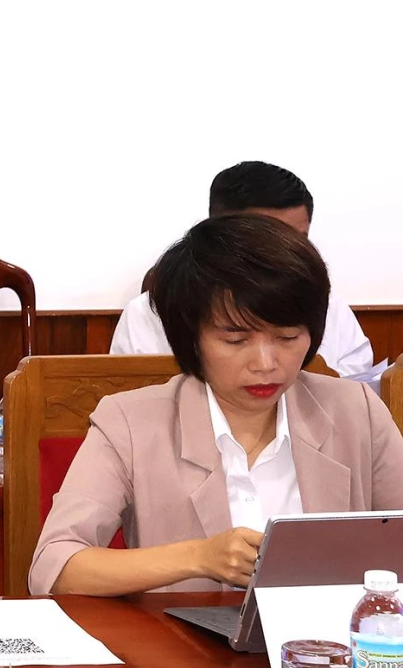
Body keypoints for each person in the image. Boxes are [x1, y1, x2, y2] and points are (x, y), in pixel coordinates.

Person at [33, 214, 403, 597]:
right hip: (182, 652)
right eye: (235, 340)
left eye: (287, 336)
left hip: (332, 650)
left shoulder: (356, 411)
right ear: (191, 338)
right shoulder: (130, 422)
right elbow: (55, 566)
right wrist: (197, 557)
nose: (265, 363)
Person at [111, 161, 373, 377]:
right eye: (235, 339)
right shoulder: (146, 315)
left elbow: (354, 382)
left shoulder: (329, 306)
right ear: (217, 231)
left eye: (298, 240)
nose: (286, 255)